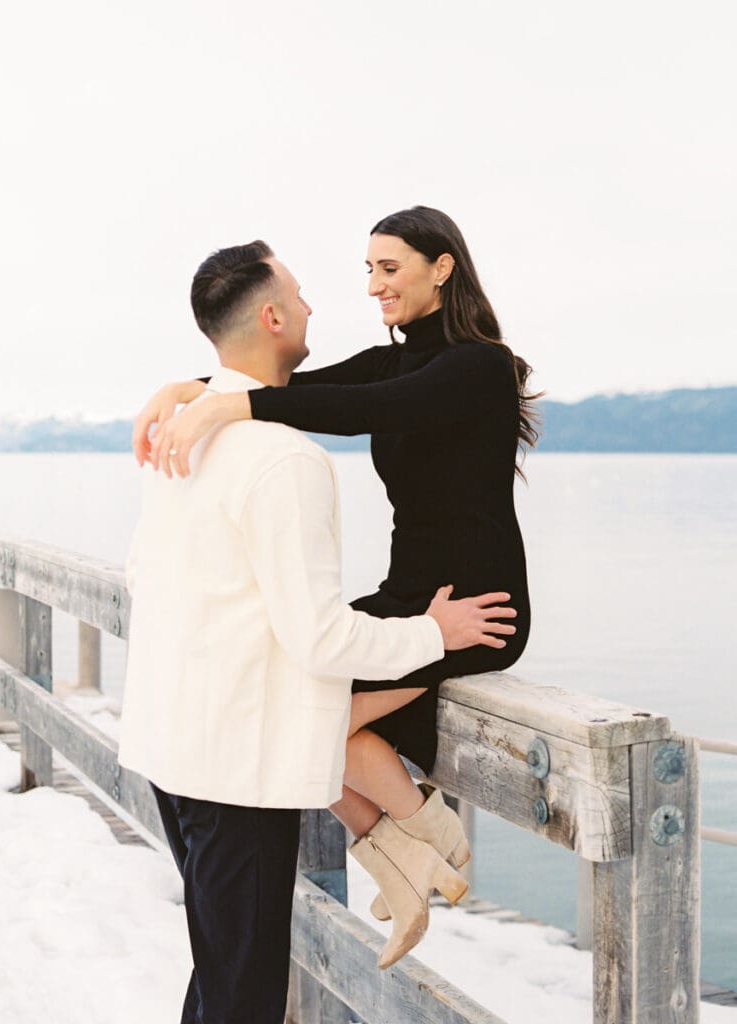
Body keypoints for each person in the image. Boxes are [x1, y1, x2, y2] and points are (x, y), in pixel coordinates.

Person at [119, 240, 516, 1024]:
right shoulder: (273, 459)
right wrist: (430, 632)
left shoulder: (188, 440)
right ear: (271, 316)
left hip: (175, 749)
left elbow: (365, 404)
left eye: (384, 268)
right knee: (242, 997)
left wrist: (205, 394)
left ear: (443, 268)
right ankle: (417, 839)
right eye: (302, 294)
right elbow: (320, 642)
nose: (328, 301)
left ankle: (407, 849)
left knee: (223, 980)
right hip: (235, 769)